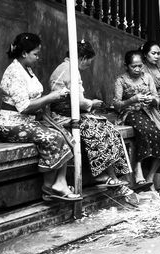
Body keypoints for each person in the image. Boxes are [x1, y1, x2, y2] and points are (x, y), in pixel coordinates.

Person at [0, 33, 82, 202]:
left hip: (26, 121)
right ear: (24, 53)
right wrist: (51, 97)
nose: (38, 57)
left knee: (65, 133)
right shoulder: (14, 72)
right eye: (35, 53)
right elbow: (25, 107)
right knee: (53, 137)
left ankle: (57, 184)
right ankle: (50, 186)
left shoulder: (27, 70)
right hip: (10, 124)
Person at [49, 40, 132, 194]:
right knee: (103, 128)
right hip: (63, 117)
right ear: (83, 58)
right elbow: (79, 102)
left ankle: (110, 175)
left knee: (107, 127)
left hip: (62, 114)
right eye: (88, 62)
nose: (88, 66)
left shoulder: (62, 67)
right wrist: (92, 103)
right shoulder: (72, 70)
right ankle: (106, 176)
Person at [113, 50, 160, 186]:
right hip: (129, 113)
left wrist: (151, 100)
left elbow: (157, 98)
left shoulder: (147, 78)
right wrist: (132, 100)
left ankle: (150, 177)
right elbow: (116, 105)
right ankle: (138, 169)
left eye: (140, 66)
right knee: (143, 131)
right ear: (126, 65)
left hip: (149, 113)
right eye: (134, 66)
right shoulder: (121, 80)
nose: (137, 69)